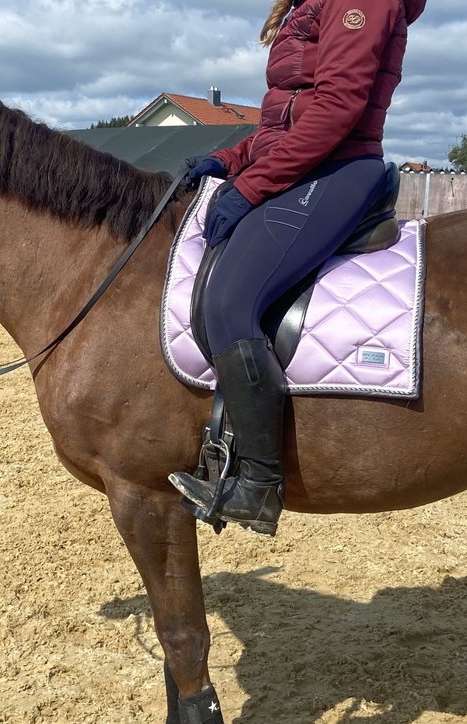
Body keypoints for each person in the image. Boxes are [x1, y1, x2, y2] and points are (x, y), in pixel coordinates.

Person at [169, 0, 428, 535]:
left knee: (229, 301)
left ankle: (259, 485)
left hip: (338, 167)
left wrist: (251, 186)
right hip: (308, 163)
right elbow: (285, 118)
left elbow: (336, 109)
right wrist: (232, 160)